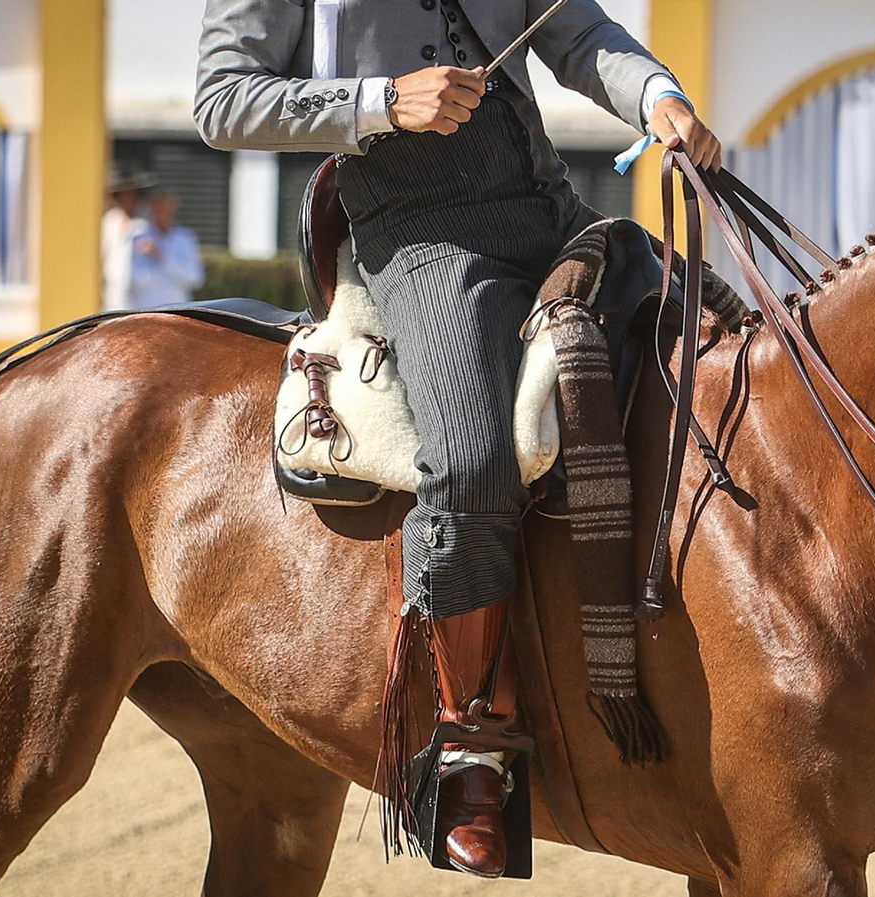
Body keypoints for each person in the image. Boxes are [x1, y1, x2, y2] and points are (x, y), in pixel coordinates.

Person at [195, 0, 721, 877]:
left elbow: (580, 35)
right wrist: (378, 100)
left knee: (715, 353)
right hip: (419, 234)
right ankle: (471, 742)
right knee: (475, 461)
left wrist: (658, 99)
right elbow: (222, 101)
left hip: (551, 209)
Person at [126, 191, 206, 308]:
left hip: (178, 311)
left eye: (166, 209)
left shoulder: (185, 238)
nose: (162, 214)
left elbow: (194, 279)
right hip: (144, 311)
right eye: (158, 209)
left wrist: (161, 257)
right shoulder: (138, 237)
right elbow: (134, 281)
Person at [101, 170, 151, 312]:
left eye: (131, 194)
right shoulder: (109, 222)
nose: (128, 199)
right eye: (123, 195)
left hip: (145, 294)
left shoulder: (147, 222)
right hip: (115, 291)